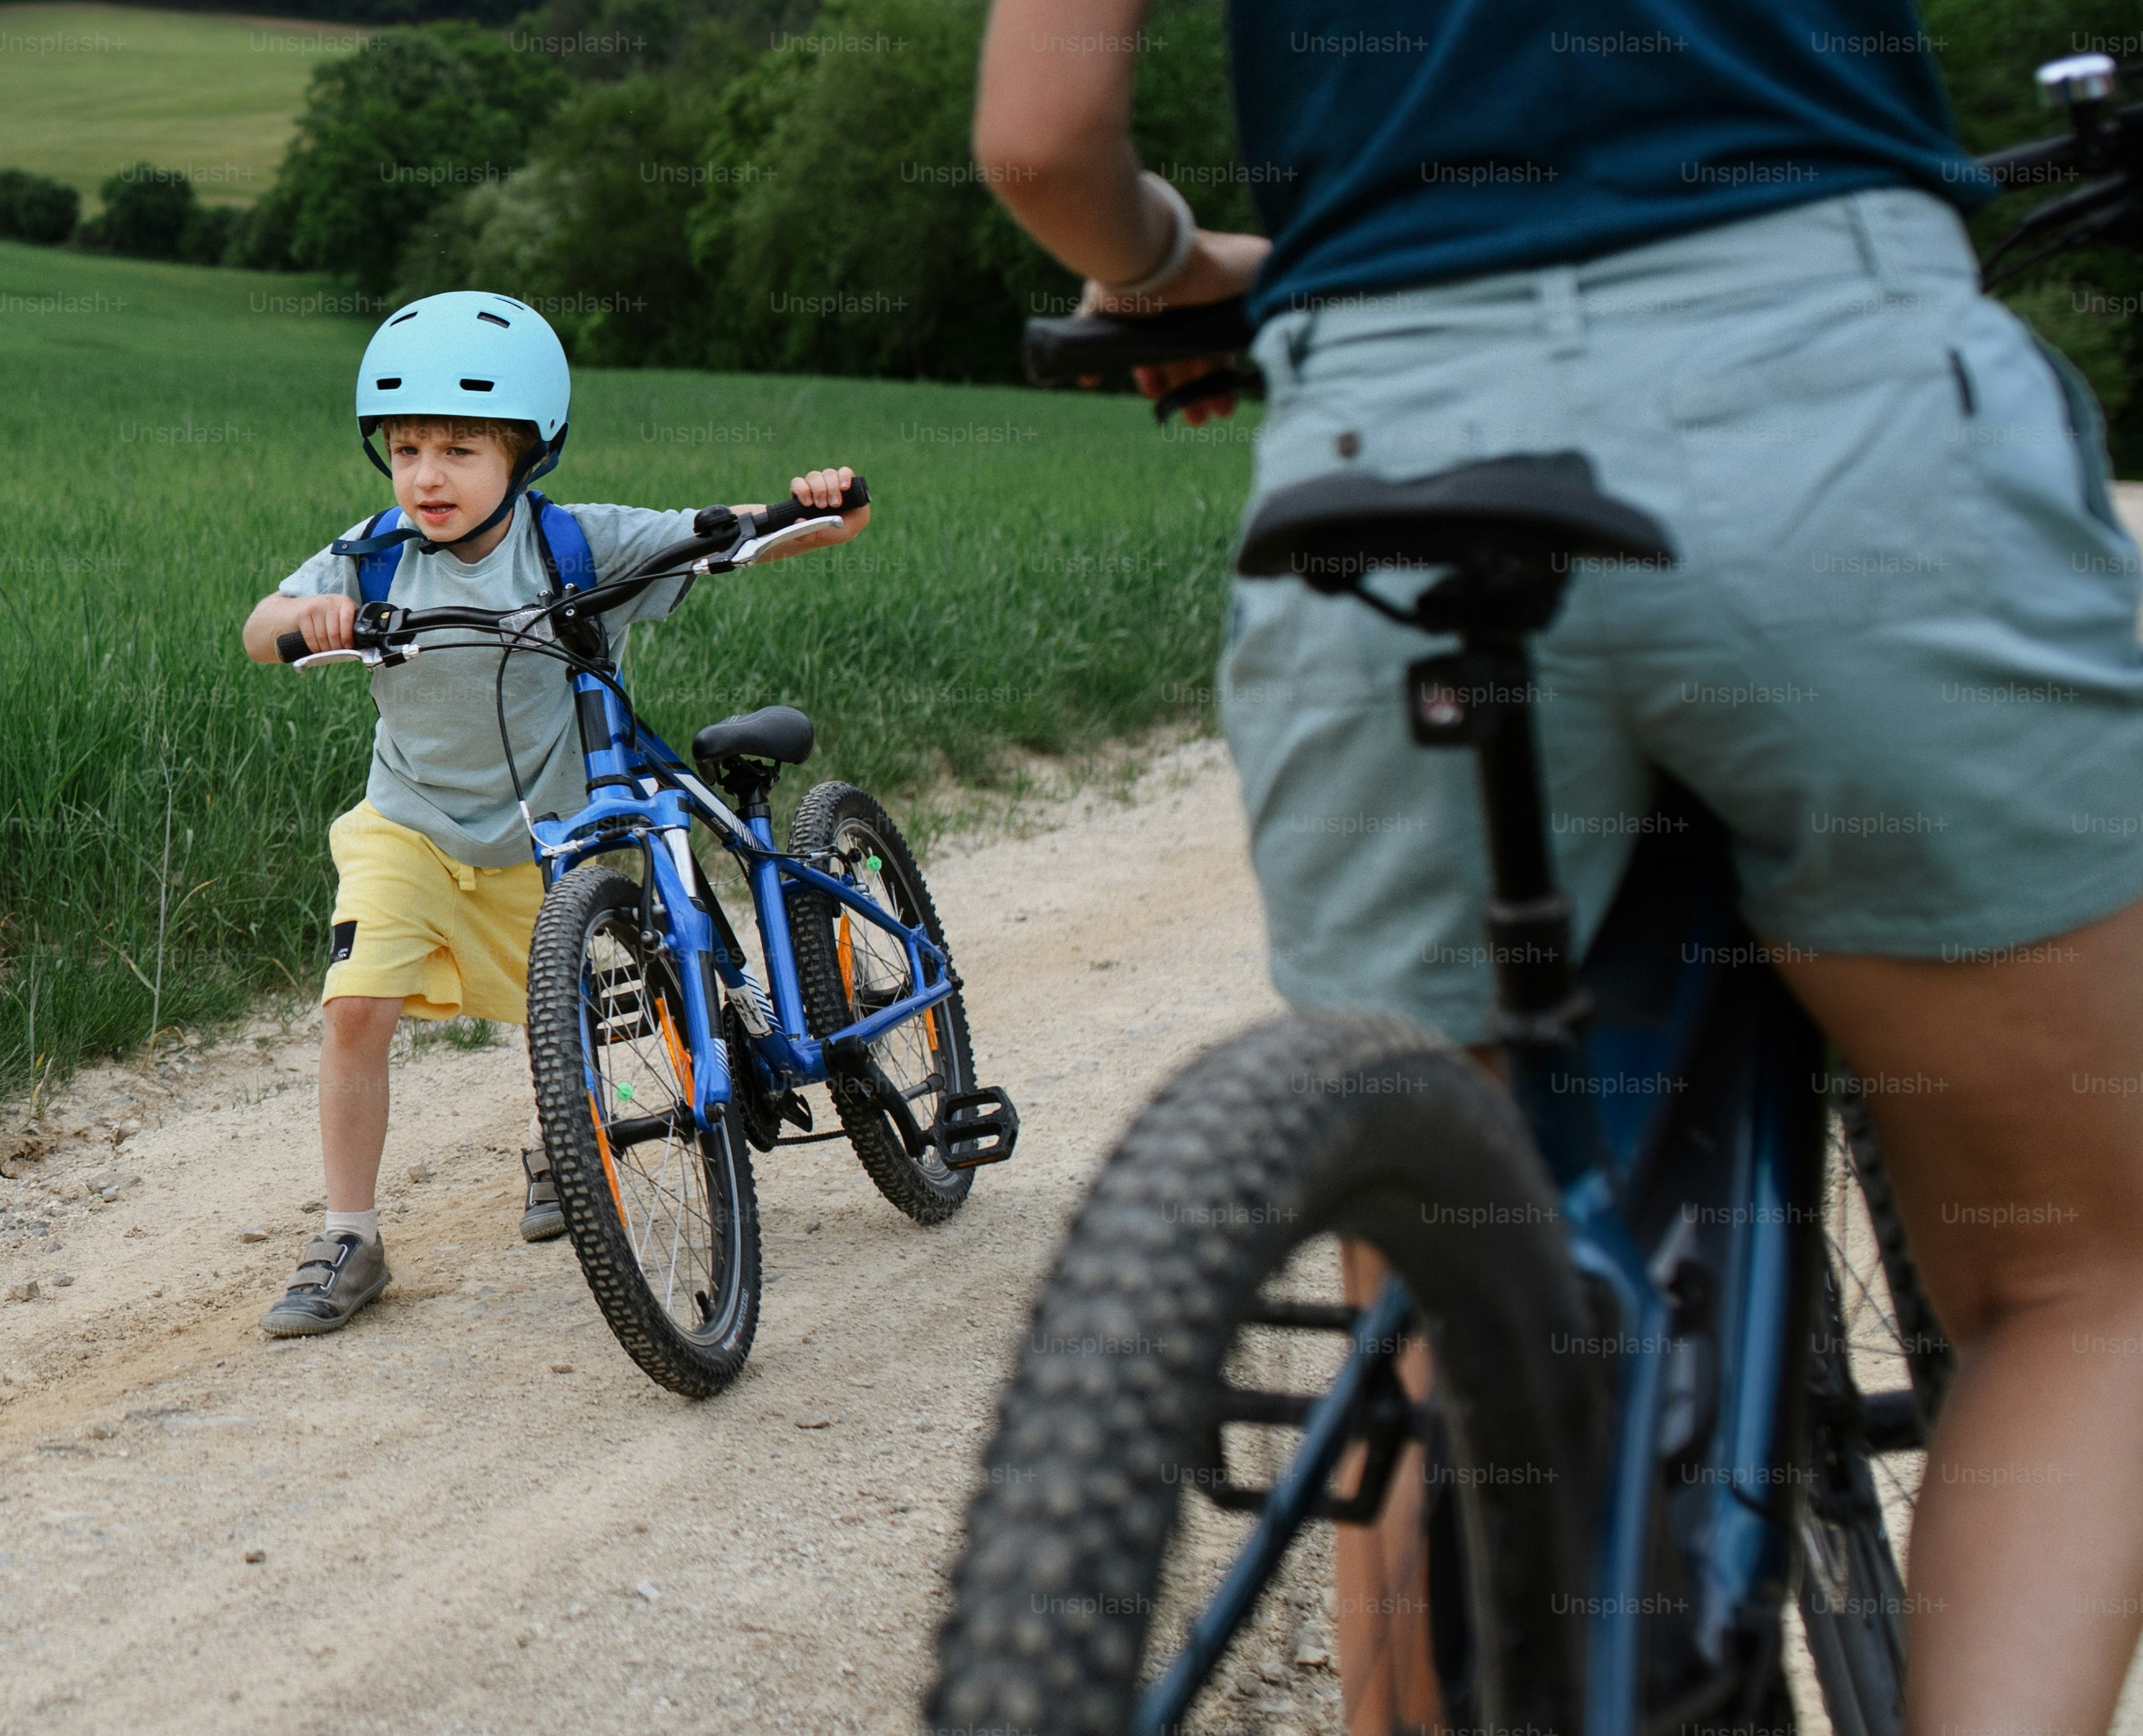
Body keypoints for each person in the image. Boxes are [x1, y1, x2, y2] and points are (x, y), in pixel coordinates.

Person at [973, 3, 2143, 1729]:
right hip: (1835, 406)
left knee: (1435, 1322)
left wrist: (1167, 263)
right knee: (2078, 1272)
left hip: (1388, 433)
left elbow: (1039, 140)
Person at [234, 289, 869, 1336]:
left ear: (527, 453)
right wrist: (310, 617)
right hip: (409, 827)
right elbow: (262, 628)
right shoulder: (377, 552)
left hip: (551, 834)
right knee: (355, 1009)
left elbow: (744, 534)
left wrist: (822, 507)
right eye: (404, 450)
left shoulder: (582, 548)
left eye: (459, 449)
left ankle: (564, 1153)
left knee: (563, 1007)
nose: (426, 476)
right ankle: (350, 1231)